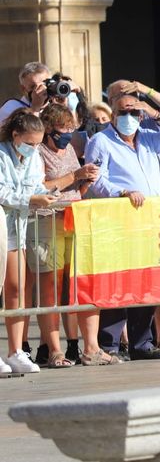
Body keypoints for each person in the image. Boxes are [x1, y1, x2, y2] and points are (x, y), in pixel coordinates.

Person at [84, 93, 160, 360]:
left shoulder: (150, 136)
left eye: (134, 112)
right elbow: (95, 179)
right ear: (114, 114)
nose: (129, 117)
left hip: (149, 220)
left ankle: (143, 343)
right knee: (118, 282)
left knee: (146, 281)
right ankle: (110, 344)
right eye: (123, 112)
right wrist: (122, 192)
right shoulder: (101, 141)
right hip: (119, 219)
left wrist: (153, 113)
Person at [26, 104, 106, 367]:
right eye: (62, 130)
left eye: (71, 130)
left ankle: (86, 346)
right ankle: (54, 349)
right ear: (48, 130)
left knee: (78, 284)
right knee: (49, 287)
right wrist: (75, 175)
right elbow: (39, 187)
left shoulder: (70, 148)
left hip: (74, 218)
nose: (67, 135)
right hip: (47, 221)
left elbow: (73, 188)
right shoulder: (38, 152)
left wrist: (85, 182)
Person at [0, 110, 57, 373]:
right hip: (2, 225)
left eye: (38, 143)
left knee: (16, 290)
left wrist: (47, 194)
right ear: (15, 135)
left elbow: (36, 187)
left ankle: (15, 351)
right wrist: (32, 200)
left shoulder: (34, 158)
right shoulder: (1, 155)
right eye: (30, 143)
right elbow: (2, 191)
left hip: (18, 230)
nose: (34, 148)